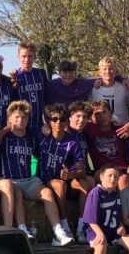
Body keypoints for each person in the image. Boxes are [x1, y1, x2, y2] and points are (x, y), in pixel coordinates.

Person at [0, 100, 75, 245]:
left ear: (28, 118)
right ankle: (20, 230)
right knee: (14, 191)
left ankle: (58, 233)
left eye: (24, 117)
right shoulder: (3, 138)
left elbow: (42, 153)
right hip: (9, 180)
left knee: (47, 193)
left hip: (28, 180)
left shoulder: (32, 136)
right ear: (10, 119)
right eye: (17, 117)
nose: (20, 120)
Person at [37, 103, 91, 242]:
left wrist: (71, 175)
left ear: (67, 121)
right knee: (59, 184)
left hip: (66, 180)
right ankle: (64, 226)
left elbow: (82, 171)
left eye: (62, 119)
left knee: (84, 184)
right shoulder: (42, 135)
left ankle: (81, 228)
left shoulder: (72, 142)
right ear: (49, 121)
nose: (58, 122)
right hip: (45, 179)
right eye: (54, 119)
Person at [84, 100, 129, 190]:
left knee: (123, 179)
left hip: (121, 168)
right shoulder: (90, 128)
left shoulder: (119, 128)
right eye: (97, 114)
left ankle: (124, 203)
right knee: (109, 178)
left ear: (110, 112)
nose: (102, 116)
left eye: (104, 112)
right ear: (92, 116)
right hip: (102, 170)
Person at [8, 42, 48, 130]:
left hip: (39, 125)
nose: (27, 60)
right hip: (21, 125)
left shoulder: (41, 73)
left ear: (34, 56)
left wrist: (47, 122)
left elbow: (47, 97)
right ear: (18, 57)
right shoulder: (14, 76)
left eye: (30, 56)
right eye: (23, 56)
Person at [89, 56, 129, 124]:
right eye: (105, 69)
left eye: (111, 69)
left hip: (122, 129)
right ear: (99, 72)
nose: (108, 71)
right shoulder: (93, 89)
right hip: (100, 130)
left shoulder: (124, 87)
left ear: (116, 71)